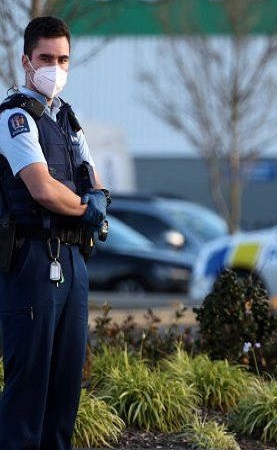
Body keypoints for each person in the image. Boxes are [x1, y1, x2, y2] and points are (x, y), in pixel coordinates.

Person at [0, 16, 109, 450]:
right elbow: (42, 188)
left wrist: (96, 199)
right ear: (26, 61)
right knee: (29, 388)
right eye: (46, 58)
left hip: (72, 260)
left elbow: (95, 180)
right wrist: (87, 207)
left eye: (63, 59)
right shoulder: (15, 118)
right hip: (31, 260)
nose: (55, 67)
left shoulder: (66, 118)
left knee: (65, 389)